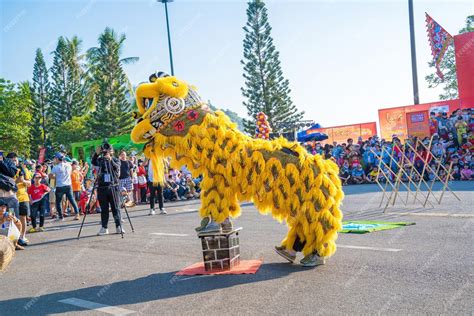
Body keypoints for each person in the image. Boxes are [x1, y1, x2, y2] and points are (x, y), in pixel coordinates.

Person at [91, 145, 124, 235]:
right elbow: (93, 162)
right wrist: (96, 154)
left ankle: (119, 226)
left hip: (113, 186)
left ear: (112, 152)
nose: (106, 152)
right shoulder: (100, 160)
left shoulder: (116, 159)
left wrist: (110, 159)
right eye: (105, 150)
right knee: (104, 209)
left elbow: (117, 167)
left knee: (115, 208)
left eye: (108, 150)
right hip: (102, 187)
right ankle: (104, 228)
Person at [51, 153, 80, 221]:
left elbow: (51, 176)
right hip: (68, 185)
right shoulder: (68, 165)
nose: (55, 159)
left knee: (58, 202)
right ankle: (77, 214)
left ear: (58, 159)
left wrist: (54, 176)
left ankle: (61, 217)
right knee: (72, 200)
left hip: (60, 186)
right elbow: (73, 166)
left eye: (55, 158)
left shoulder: (56, 167)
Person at [14, 160, 31, 245]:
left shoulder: (23, 170)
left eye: (15, 160)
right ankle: (14, 237)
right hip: (12, 198)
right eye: (12, 160)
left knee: (23, 218)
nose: (15, 161)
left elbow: (29, 183)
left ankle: (22, 236)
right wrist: (16, 181)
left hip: (23, 198)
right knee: (12, 218)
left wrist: (23, 181)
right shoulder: (6, 170)